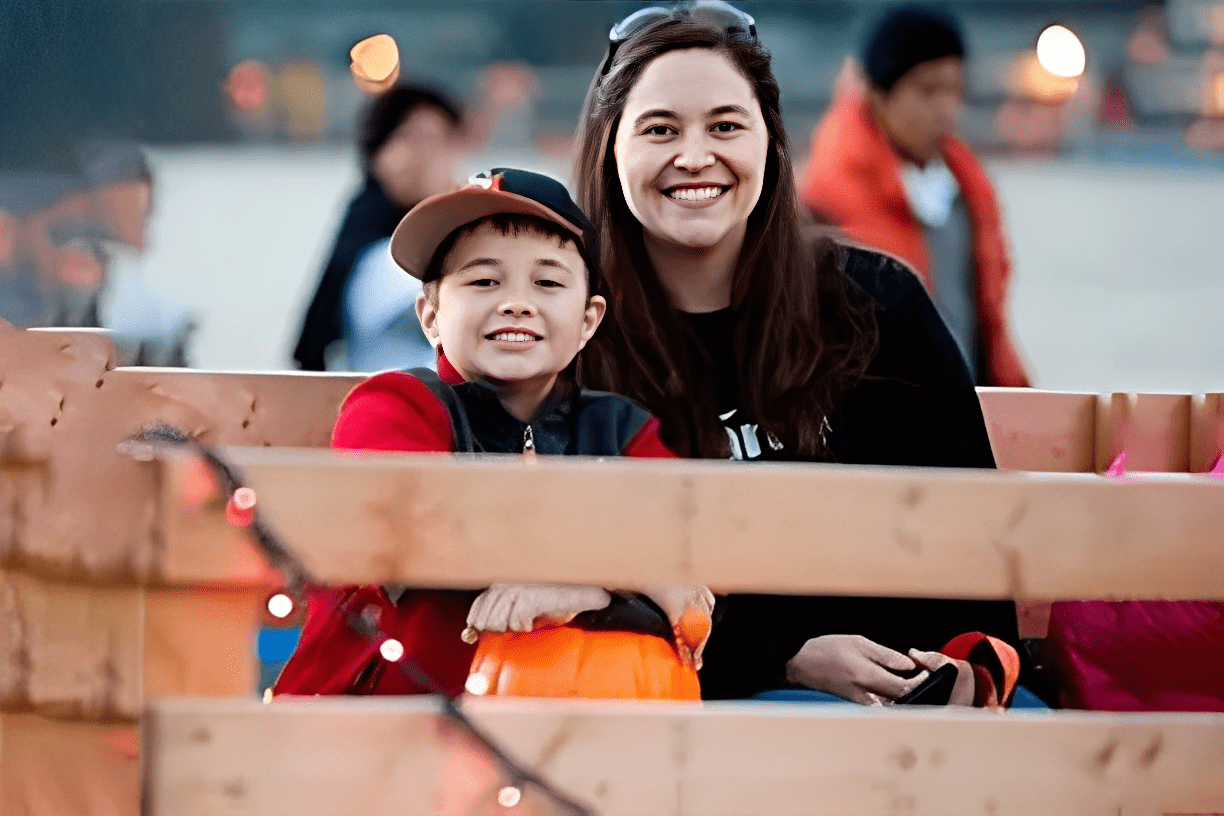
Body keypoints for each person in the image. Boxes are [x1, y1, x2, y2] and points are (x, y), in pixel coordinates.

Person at [571, 1, 1030, 706]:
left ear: (769, 142)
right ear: (611, 147)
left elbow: (969, 530)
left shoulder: (875, 304)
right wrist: (780, 660)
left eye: (726, 126)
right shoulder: (572, 327)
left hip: (910, 684)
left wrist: (973, 666)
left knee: (1036, 747)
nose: (695, 156)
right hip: (698, 699)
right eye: (659, 129)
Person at [274, 168, 712, 700]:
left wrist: (587, 593)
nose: (516, 302)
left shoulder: (620, 431)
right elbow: (420, 529)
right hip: (367, 730)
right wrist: (611, 572)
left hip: (553, 740)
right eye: (484, 281)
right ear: (431, 316)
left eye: (548, 282)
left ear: (589, 321)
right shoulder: (395, 406)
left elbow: (690, 561)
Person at [799, 5, 1029, 387]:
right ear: (877, 95)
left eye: (955, 90)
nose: (946, 109)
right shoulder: (820, 202)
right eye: (928, 90)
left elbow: (986, 327)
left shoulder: (968, 192)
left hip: (969, 409)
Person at [293, 84, 464, 372]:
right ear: (381, 155)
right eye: (420, 138)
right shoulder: (379, 259)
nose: (433, 157)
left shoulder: (454, 239)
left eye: (443, 141)